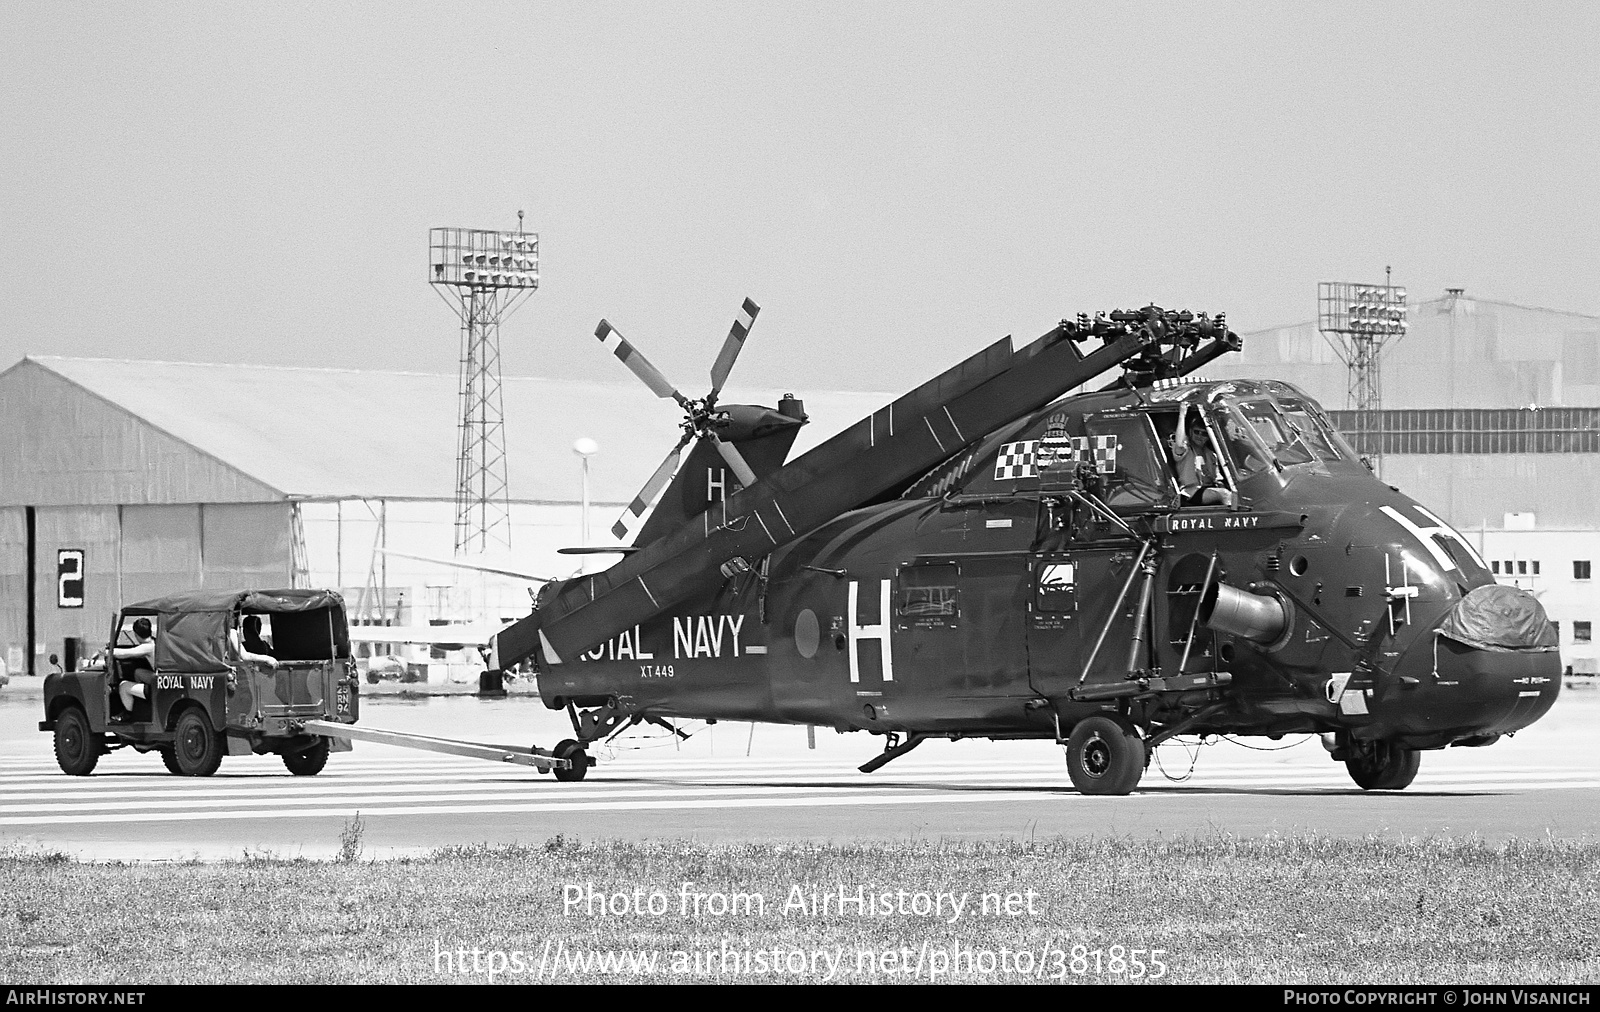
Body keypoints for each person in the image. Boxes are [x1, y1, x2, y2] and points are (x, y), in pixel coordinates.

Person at [1173, 405, 1234, 506]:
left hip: (1206, 489)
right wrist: (1182, 414)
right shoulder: (1186, 450)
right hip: (1190, 492)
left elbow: (1217, 479)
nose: (1200, 436)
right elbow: (1179, 444)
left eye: (1204, 434)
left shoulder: (1212, 455)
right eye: (1197, 432)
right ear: (1190, 432)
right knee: (1225, 495)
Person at [112, 617, 157, 714]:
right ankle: (139, 701)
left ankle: (129, 714)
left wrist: (106, 652)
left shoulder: (147, 647)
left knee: (123, 686)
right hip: (158, 678)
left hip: (157, 687)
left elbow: (126, 653)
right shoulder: (154, 642)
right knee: (138, 672)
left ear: (136, 634)